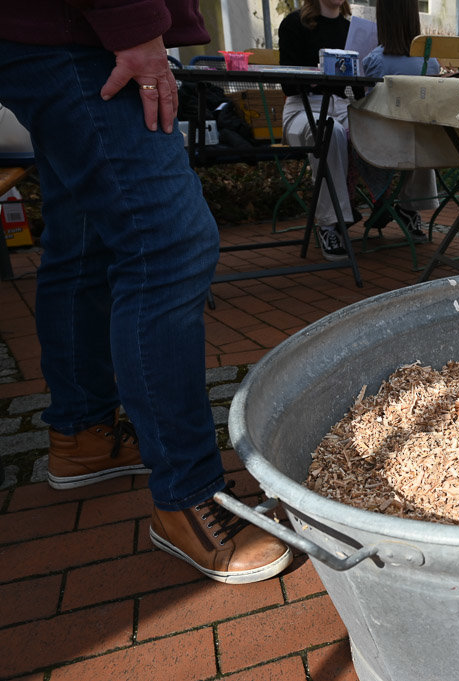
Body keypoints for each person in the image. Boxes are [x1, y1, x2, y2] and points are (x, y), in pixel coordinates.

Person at [0, 1, 292, 582]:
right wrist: (133, 25)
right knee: (169, 246)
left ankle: (84, 435)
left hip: (49, 33)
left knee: (82, 240)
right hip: (82, 37)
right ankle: (186, 494)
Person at [278, 0, 358, 261]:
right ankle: (329, 224)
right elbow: (289, 85)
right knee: (330, 130)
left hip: (343, 106)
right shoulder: (294, 23)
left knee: (383, 129)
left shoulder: (354, 30)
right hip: (303, 109)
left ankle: (401, 207)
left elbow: (358, 88)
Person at [357, 0, 440, 242]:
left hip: (383, 145)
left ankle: (379, 201)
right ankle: (407, 208)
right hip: (424, 147)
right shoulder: (431, 62)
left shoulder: (374, 61)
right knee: (415, 130)